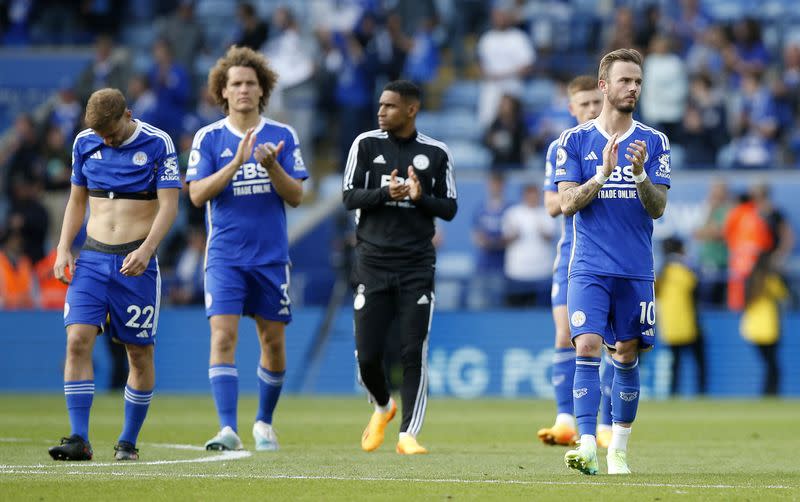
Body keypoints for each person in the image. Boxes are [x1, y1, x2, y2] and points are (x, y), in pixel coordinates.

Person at [48, 88, 181, 461]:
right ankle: (78, 438)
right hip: (92, 257)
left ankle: (127, 440)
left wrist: (147, 249)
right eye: (101, 134)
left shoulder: (158, 143)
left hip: (135, 261)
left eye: (111, 132)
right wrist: (62, 248)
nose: (106, 140)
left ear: (128, 114)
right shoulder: (84, 142)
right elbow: (76, 200)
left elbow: (169, 205)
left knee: (138, 353)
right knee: (77, 341)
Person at [554, 49, 670, 475]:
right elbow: (567, 204)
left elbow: (658, 208)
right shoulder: (575, 141)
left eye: (638, 81)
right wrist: (601, 174)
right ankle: (586, 444)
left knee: (625, 352)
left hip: (636, 268)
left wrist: (639, 174)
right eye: (625, 81)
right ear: (604, 86)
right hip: (589, 266)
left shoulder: (654, 142)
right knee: (584, 344)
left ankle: (618, 447)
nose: (633, 88)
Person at [186, 46, 307, 452]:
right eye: (235, 83)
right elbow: (197, 195)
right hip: (225, 257)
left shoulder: (283, 136)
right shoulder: (209, 137)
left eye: (250, 83)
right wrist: (236, 163)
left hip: (271, 257)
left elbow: (297, 196)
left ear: (262, 90)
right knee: (223, 337)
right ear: (222, 91)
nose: (242, 90)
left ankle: (264, 423)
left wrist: (272, 166)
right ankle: (227, 429)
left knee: (272, 341)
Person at [342, 80, 457, 455]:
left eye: (390, 106)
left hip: (416, 266)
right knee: (367, 356)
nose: (381, 111)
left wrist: (422, 198)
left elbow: (449, 208)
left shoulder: (436, 153)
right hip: (372, 264)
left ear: (411, 109)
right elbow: (348, 196)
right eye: (380, 105)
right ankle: (383, 406)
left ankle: (408, 433)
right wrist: (383, 194)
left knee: (412, 351)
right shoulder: (365, 144)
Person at [537, 75, 603, 448]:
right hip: (571, 255)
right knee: (567, 334)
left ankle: (606, 423)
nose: (592, 110)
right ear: (571, 108)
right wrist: (592, 184)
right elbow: (552, 204)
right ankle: (565, 420)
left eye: (596, 102)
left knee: (612, 343)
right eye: (584, 104)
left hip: (612, 255)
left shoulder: (621, 141)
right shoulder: (563, 147)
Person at [655, 236, 706, 396]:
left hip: (670, 326)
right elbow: (697, 288)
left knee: (675, 364)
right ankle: (701, 392)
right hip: (689, 324)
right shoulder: (685, 270)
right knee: (700, 362)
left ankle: (673, 393)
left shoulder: (662, 272)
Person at [741, 252, 788, 396]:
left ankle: (766, 393)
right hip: (768, 328)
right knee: (773, 366)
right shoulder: (770, 280)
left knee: (769, 364)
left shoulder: (750, 280)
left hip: (752, 328)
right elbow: (783, 294)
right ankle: (770, 393)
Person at [501, 183, 555, 307]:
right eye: (529, 195)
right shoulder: (513, 213)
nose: (532, 198)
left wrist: (542, 231)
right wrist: (514, 235)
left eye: (534, 195)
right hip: (517, 272)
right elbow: (505, 239)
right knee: (514, 312)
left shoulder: (548, 212)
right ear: (523, 196)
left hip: (542, 272)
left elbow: (550, 237)